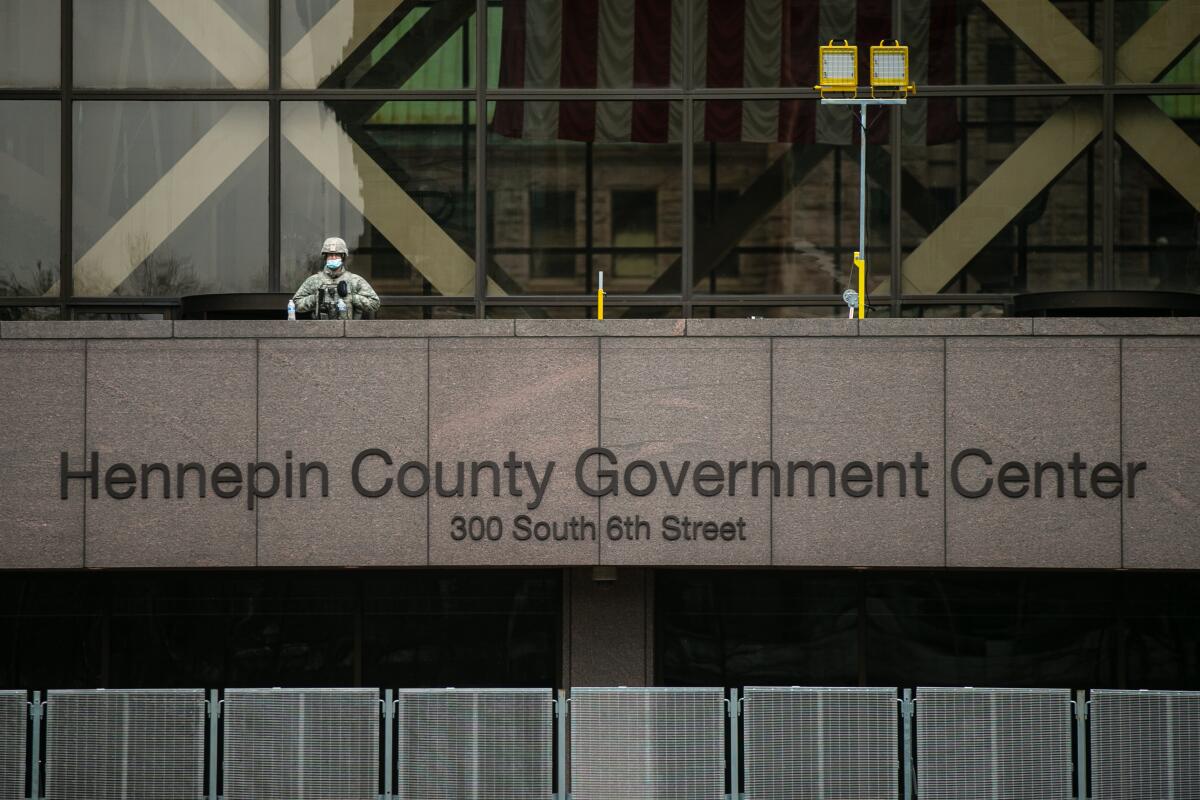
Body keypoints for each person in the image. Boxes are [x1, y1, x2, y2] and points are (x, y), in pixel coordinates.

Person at [291, 237, 380, 319]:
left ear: (342, 257)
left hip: (350, 331)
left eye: (337, 255)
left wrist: (352, 298)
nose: (333, 257)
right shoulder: (314, 280)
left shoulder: (354, 281)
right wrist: (316, 298)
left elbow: (374, 303)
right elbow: (296, 304)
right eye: (330, 255)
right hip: (320, 330)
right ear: (325, 257)